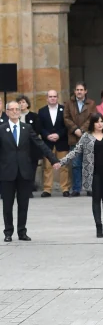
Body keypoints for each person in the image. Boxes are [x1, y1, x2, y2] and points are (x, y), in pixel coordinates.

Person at [1, 101, 60, 241]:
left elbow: (40, 144)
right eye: (12, 109)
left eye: (17, 109)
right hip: (7, 172)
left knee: (23, 203)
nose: (15, 112)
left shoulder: (26, 128)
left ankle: (22, 231)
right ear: (7, 112)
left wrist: (53, 159)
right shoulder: (2, 129)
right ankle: (8, 232)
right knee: (7, 204)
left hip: (24, 171)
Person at [63, 82, 96, 197]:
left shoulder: (91, 103)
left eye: (81, 90)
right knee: (76, 164)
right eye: (77, 90)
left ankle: (89, 188)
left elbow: (92, 118)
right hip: (74, 137)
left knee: (88, 164)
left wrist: (82, 130)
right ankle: (76, 188)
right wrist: (74, 129)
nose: (79, 92)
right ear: (74, 91)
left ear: (85, 91)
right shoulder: (69, 103)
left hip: (87, 137)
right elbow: (66, 118)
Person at [38, 90, 70, 197]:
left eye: (54, 96)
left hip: (61, 141)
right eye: (50, 96)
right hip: (47, 142)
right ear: (47, 98)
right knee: (47, 166)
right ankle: (47, 189)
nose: (52, 98)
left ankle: (65, 188)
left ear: (57, 98)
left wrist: (58, 135)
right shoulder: (41, 111)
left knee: (64, 166)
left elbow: (67, 125)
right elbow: (40, 127)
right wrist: (47, 135)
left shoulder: (64, 109)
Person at [16, 96, 42, 197]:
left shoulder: (34, 116)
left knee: (31, 169)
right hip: (18, 147)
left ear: (27, 104)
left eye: (23, 102)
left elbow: (37, 130)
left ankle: (29, 189)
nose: (21, 104)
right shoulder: (15, 117)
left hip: (31, 147)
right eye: (19, 102)